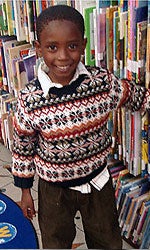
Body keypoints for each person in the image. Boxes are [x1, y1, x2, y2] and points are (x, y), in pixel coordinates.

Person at [12, 4, 150, 249]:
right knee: (55, 242)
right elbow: (24, 146)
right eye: (52, 47)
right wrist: (24, 189)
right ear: (38, 49)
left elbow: (133, 95)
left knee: (107, 240)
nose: (63, 57)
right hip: (54, 190)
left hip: (98, 182)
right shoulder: (29, 99)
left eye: (72, 46)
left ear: (83, 45)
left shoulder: (101, 83)